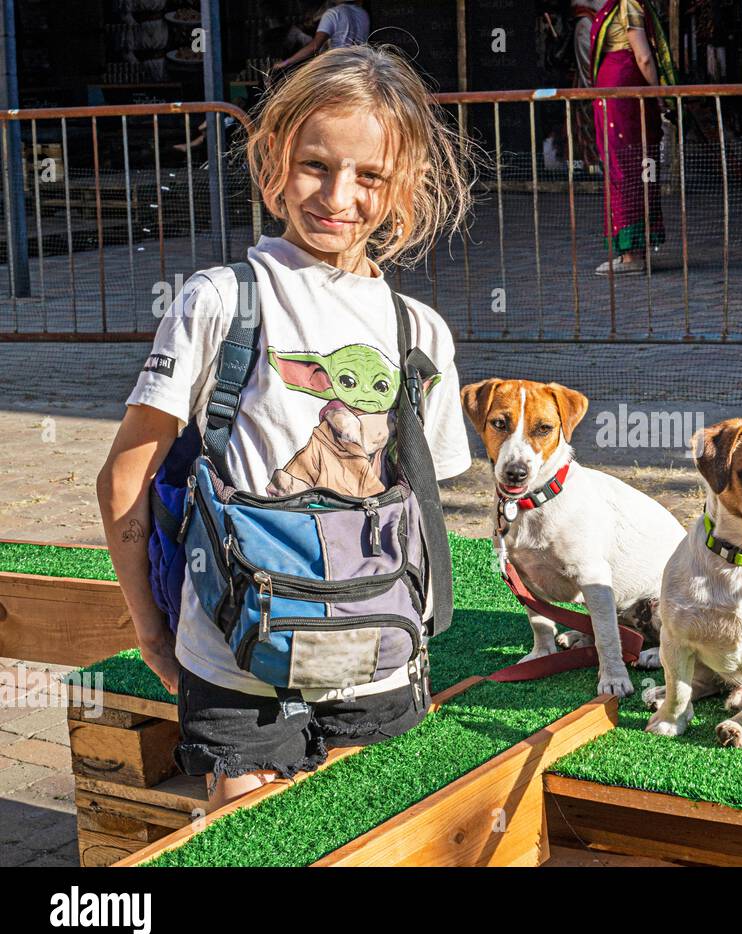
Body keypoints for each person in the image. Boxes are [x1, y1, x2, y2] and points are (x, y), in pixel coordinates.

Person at [97, 44, 474, 809]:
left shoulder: (420, 331)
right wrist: (153, 632)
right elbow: (124, 478)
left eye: (369, 176)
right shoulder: (218, 299)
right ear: (272, 159)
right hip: (241, 663)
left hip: (375, 659)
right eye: (315, 165)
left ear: (403, 189)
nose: (339, 195)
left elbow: (422, 497)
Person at [589, 0, 667, 275]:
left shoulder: (627, 4)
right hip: (620, 92)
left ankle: (632, 256)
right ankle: (634, 251)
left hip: (621, 93)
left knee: (626, 169)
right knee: (633, 167)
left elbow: (643, 56)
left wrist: (659, 94)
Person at [275, 0, 370, 72]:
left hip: (338, 66)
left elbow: (314, 46)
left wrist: (286, 63)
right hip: (360, 65)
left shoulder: (333, 13)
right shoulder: (363, 13)